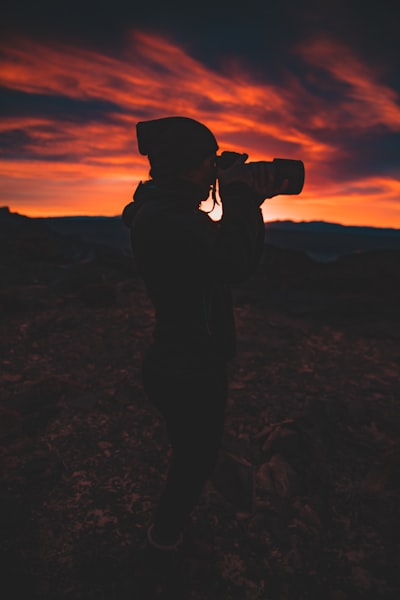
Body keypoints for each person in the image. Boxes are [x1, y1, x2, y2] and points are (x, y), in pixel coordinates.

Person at [122, 116, 286, 553]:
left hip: (178, 358)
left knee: (190, 443)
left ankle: (196, 474)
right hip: (189, 365)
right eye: (209, 161)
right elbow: (235, 264)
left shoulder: (163, 212)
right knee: (196, 458)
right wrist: (240, 195)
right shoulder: (169, 219)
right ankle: (165, 535)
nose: (214, 170)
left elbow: (221, 254)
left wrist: (245, 199)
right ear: (187, 164)